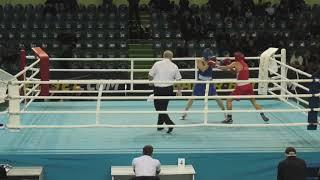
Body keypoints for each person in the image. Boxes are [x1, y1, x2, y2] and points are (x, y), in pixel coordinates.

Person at [217, 51, 269, 124]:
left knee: (228, 100)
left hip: (241, 87)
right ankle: (263, 115)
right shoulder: (245, 64)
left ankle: (229, 118)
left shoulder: (235, 63)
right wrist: (230, 68)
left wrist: (217, 66)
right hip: (248, 85)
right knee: (254, 102)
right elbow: (235, 72)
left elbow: (225, 68)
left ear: (236, 57)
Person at [180, 48, 225, 120]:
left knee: (217, 98)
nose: (209, 58)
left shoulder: (212, 59)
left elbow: (219, 66)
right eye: (208, 57)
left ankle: (226, 114)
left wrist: (224, 63)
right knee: (192, 98)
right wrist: (209, 63)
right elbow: (203, 69)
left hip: (209, 82)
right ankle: (184, 114)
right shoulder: (199, 60)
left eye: (210, 57)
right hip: (200, 82)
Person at [149, 50, 182, 133]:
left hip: (158, 89)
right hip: (168, 89)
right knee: (163, 108)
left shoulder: (157, 64)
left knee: (159, 108)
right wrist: (179, 91)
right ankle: (159, 126)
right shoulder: (174, 66)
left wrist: (150, 82)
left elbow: (150, 75)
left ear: (163, 56)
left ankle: (169, 123)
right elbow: (178, 79)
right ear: (171, 57)